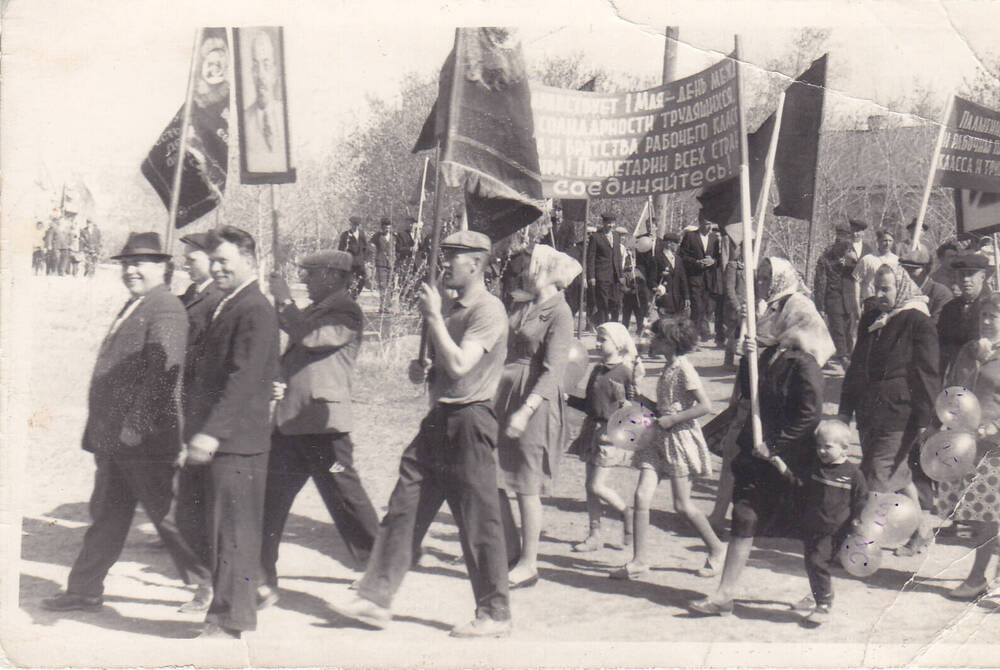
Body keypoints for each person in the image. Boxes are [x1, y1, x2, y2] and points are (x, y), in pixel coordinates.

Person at [333, 230, 512, 638]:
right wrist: (425, 371)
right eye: (444, 255)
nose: (443, 263)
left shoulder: (489, 309)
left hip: (471, 421)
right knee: (403, 507)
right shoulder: (449, 307)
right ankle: (375, 597)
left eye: (452, 256)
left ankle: (496, 613)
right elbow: (444, 367)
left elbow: (464, 364)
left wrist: (433, 319)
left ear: (477, 263)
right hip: (438, 420)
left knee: (478, 521)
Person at [41, 232, 212, 612]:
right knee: (108, 514)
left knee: (169, 516)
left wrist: (137, 424)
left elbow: (163, 372)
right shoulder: (138, 304)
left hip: (145, 440)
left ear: (163, 268)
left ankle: (212, 586)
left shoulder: (165, 307)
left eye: (141, 264)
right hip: (117, 440)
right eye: (127, 264)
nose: (132, 270)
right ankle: (84, 590)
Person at [691, 256, 832, 615]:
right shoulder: (771, 354)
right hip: (757, 453)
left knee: (809, 533)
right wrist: (749, 357)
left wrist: (775, 445)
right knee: (744, 516)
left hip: (789, 459)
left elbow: (809, 413)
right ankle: (724, 594)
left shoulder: (805, 363)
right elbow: (752, 393)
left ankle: (821, 596)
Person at [259, 250, 381, 606]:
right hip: (292, 423)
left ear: (331, 275)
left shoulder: (346, 312)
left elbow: (310, 338)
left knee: (346, 499)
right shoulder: (313, 310)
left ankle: (380, 570)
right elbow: (297, 355)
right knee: (270, 501)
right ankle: (262, 578)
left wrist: (283, 301)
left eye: (310, 274)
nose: (305, 280)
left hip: (324, 429)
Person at [182, 226, 280, 639]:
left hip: (236, 442)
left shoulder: (254, 307)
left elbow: (243, 378)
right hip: (221, 436)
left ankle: (230, 620)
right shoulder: (231, 304)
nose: (217, 268)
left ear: (249, 262)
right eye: (215, 261)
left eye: (225, 261)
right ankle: (246, 592)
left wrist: (212, 434)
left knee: (233, 532)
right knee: (211, 526)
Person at [610, 318, 726, 580]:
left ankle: (717, 549)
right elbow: (661, 406)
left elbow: (705, 406)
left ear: (670, 342)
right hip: (658, 440)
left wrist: (673, 419)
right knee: (641, 497)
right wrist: (636, 398)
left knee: (682, 505)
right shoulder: (667, 367)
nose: (652, 342)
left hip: (678, 440)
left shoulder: (684, 368)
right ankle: (639, 561)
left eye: (657, 338)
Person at [839, 264, 938, 555]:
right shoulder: (872, 317)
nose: (879, 294)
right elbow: (857, 365)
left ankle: (862, 547)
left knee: (876, 478)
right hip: (869, 411)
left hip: (900, 413)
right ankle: (921, 531)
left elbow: (927, 373)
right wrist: (845, 409)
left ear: (901, 288)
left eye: (886, 288)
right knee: (899, 474)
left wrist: (925, 418)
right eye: (876, 288)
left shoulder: (918, 322)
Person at [496, 244, 578, 588]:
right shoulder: (523, 304)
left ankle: (529, 563)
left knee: (526, 485)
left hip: (534, 402)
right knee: (492, 475)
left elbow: (554, 369)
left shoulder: (560, 312)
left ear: (543, 269)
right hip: (503, 395)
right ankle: (510, 550)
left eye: (529, 265)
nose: (524, 270)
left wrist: (526, 410)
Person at [932, 292, 1000, 599]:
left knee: (989, 514)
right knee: (981, 513)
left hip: (995, 442)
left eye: (994, 316)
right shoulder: (969, 351)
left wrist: (995, 425)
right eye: (984, 315)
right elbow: (954, 389)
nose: (987, 321)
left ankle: (977, 578)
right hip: (968, 441)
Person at [173, 232, 225, 613]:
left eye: (193, 258)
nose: (186, 264)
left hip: (202, 410)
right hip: (184, 406)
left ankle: (211, 585)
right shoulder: (192, 294)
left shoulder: (217, 300)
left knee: (203, 505)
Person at [566, 322, 642, 552]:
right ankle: (594, 534)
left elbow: (634, 408)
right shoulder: (597, 370)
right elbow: (589, 403)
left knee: (597, 485)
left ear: (618, 343)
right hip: (591, 429)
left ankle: (625, 512)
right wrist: (568, 398)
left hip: (609, 434)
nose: (598, 344)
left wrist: (625, 405)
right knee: (590, 488)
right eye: (597, 339)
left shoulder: (625, 372)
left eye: (603, 339)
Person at [789, 419, 869, 626]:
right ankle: (816, 594)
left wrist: (857, 520)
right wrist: (781, 467)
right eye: (819, 446)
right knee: (811, 563)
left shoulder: (852, 474)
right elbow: (800, 485)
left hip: (834, 529)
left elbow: (861, 499)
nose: (821, 451)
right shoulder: (817, 468)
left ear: (844, 448)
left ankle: (824, 603)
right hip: (813, 525)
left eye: (827, 446)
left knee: (818, 562)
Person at [814, 224, 860, 368]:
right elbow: (820, 283)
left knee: (849, 330)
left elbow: (860, 274)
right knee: (838, 330)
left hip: (849, 299)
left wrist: (852, 263)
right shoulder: (826, 258)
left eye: (846, 240)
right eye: (840, 240)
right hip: (833, 298)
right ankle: (843, 358)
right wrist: (820, 306)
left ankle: (847, 356)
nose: (843, 245)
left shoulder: (853, 256)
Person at [938, 253, 991, 378]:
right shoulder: (949, 308)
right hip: (957, 376)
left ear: (982, 277)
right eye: (962, 275)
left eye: (970, 274)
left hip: (985, 377)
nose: (966, 279)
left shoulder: (992, 307)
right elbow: (942, 348)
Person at [243, 29, 288, 173]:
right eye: (256, 67)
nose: (261, 75)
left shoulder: (286, 116)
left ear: (274, 73)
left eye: (266, 66)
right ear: (251, 72)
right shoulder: (244, 122)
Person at [679, 212, 722, 341]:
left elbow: (719, 258)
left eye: (710, 224)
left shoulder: (714, 238)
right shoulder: (690, 236)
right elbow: (682, 256)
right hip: (694, 278)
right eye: (706, 224)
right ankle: (693, 338)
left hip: (709, 280)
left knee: (705, 309)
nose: (709, 227)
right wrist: (696, 263)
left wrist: (713, 261)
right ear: (700, 222)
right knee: (697, 308)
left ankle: (697, 334)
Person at [852, 228, 899, 316]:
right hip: (871, 301)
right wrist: (857, 305)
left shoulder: (897, 261)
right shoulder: (868, 259)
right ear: (878, 241)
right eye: (884, 240)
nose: (887, 243)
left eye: (890, 241)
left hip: (890, 302)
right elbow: (856, 282)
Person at [586, 213, 623, 325]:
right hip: (601, 276)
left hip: (615, 276)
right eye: (608, 223)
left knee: (616, 303)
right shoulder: (596, 237)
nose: (610, 225)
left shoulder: (616, 236)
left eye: (612, 223)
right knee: (603, 303)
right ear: (603, 223)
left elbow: (618, 256)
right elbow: (591, 258)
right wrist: (591, 276)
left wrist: (620, 275)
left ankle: (615, 326)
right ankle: (603, 326)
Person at [900, 247, 953, 325]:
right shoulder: (901, 292)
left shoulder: (941, 293)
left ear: (926, 270)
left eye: (912, 269)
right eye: (905, 269)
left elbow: (937, 324)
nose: (907, 274)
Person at [722, 235, 747, 370]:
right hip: (735, 306)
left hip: (749, 306)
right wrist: (736, 306)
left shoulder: (754, 268)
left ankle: (745, 361)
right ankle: (728, 361)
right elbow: (729, 288)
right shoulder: (733, 266)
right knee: (732, 334)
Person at [651, 231, 688, 319]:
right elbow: (652, 279)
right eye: (676, 243)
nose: (677, 246)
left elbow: (683, 279)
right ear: (669, 243)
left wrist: (687, 297)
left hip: (677, 300)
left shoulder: (678, 259)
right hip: (664, 299)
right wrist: (657, 288)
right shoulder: (657, 258)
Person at [338, 216, 368, 298]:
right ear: (350, 224)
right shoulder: (345, 235)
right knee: (348, 282)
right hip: (349, 263)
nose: (355, 227)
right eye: (354, 225)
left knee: (363, 279)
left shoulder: (362, 234)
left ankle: (354, 296)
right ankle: (347, 298)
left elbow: (365, 248)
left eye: (357, 225)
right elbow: (341, 250)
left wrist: (364, 259)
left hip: (360, 263)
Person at [371, 217, 395, 313]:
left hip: (391, 264)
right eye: (385, 228)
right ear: (382, 227)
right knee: (382, 285)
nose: (387, 230)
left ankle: (388, 306)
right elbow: (371, 246)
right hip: (381, 263)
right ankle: (382, 306)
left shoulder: (394, 236)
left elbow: (395, 249)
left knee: (390, 285)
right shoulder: (377, 236)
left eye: (388, 228)